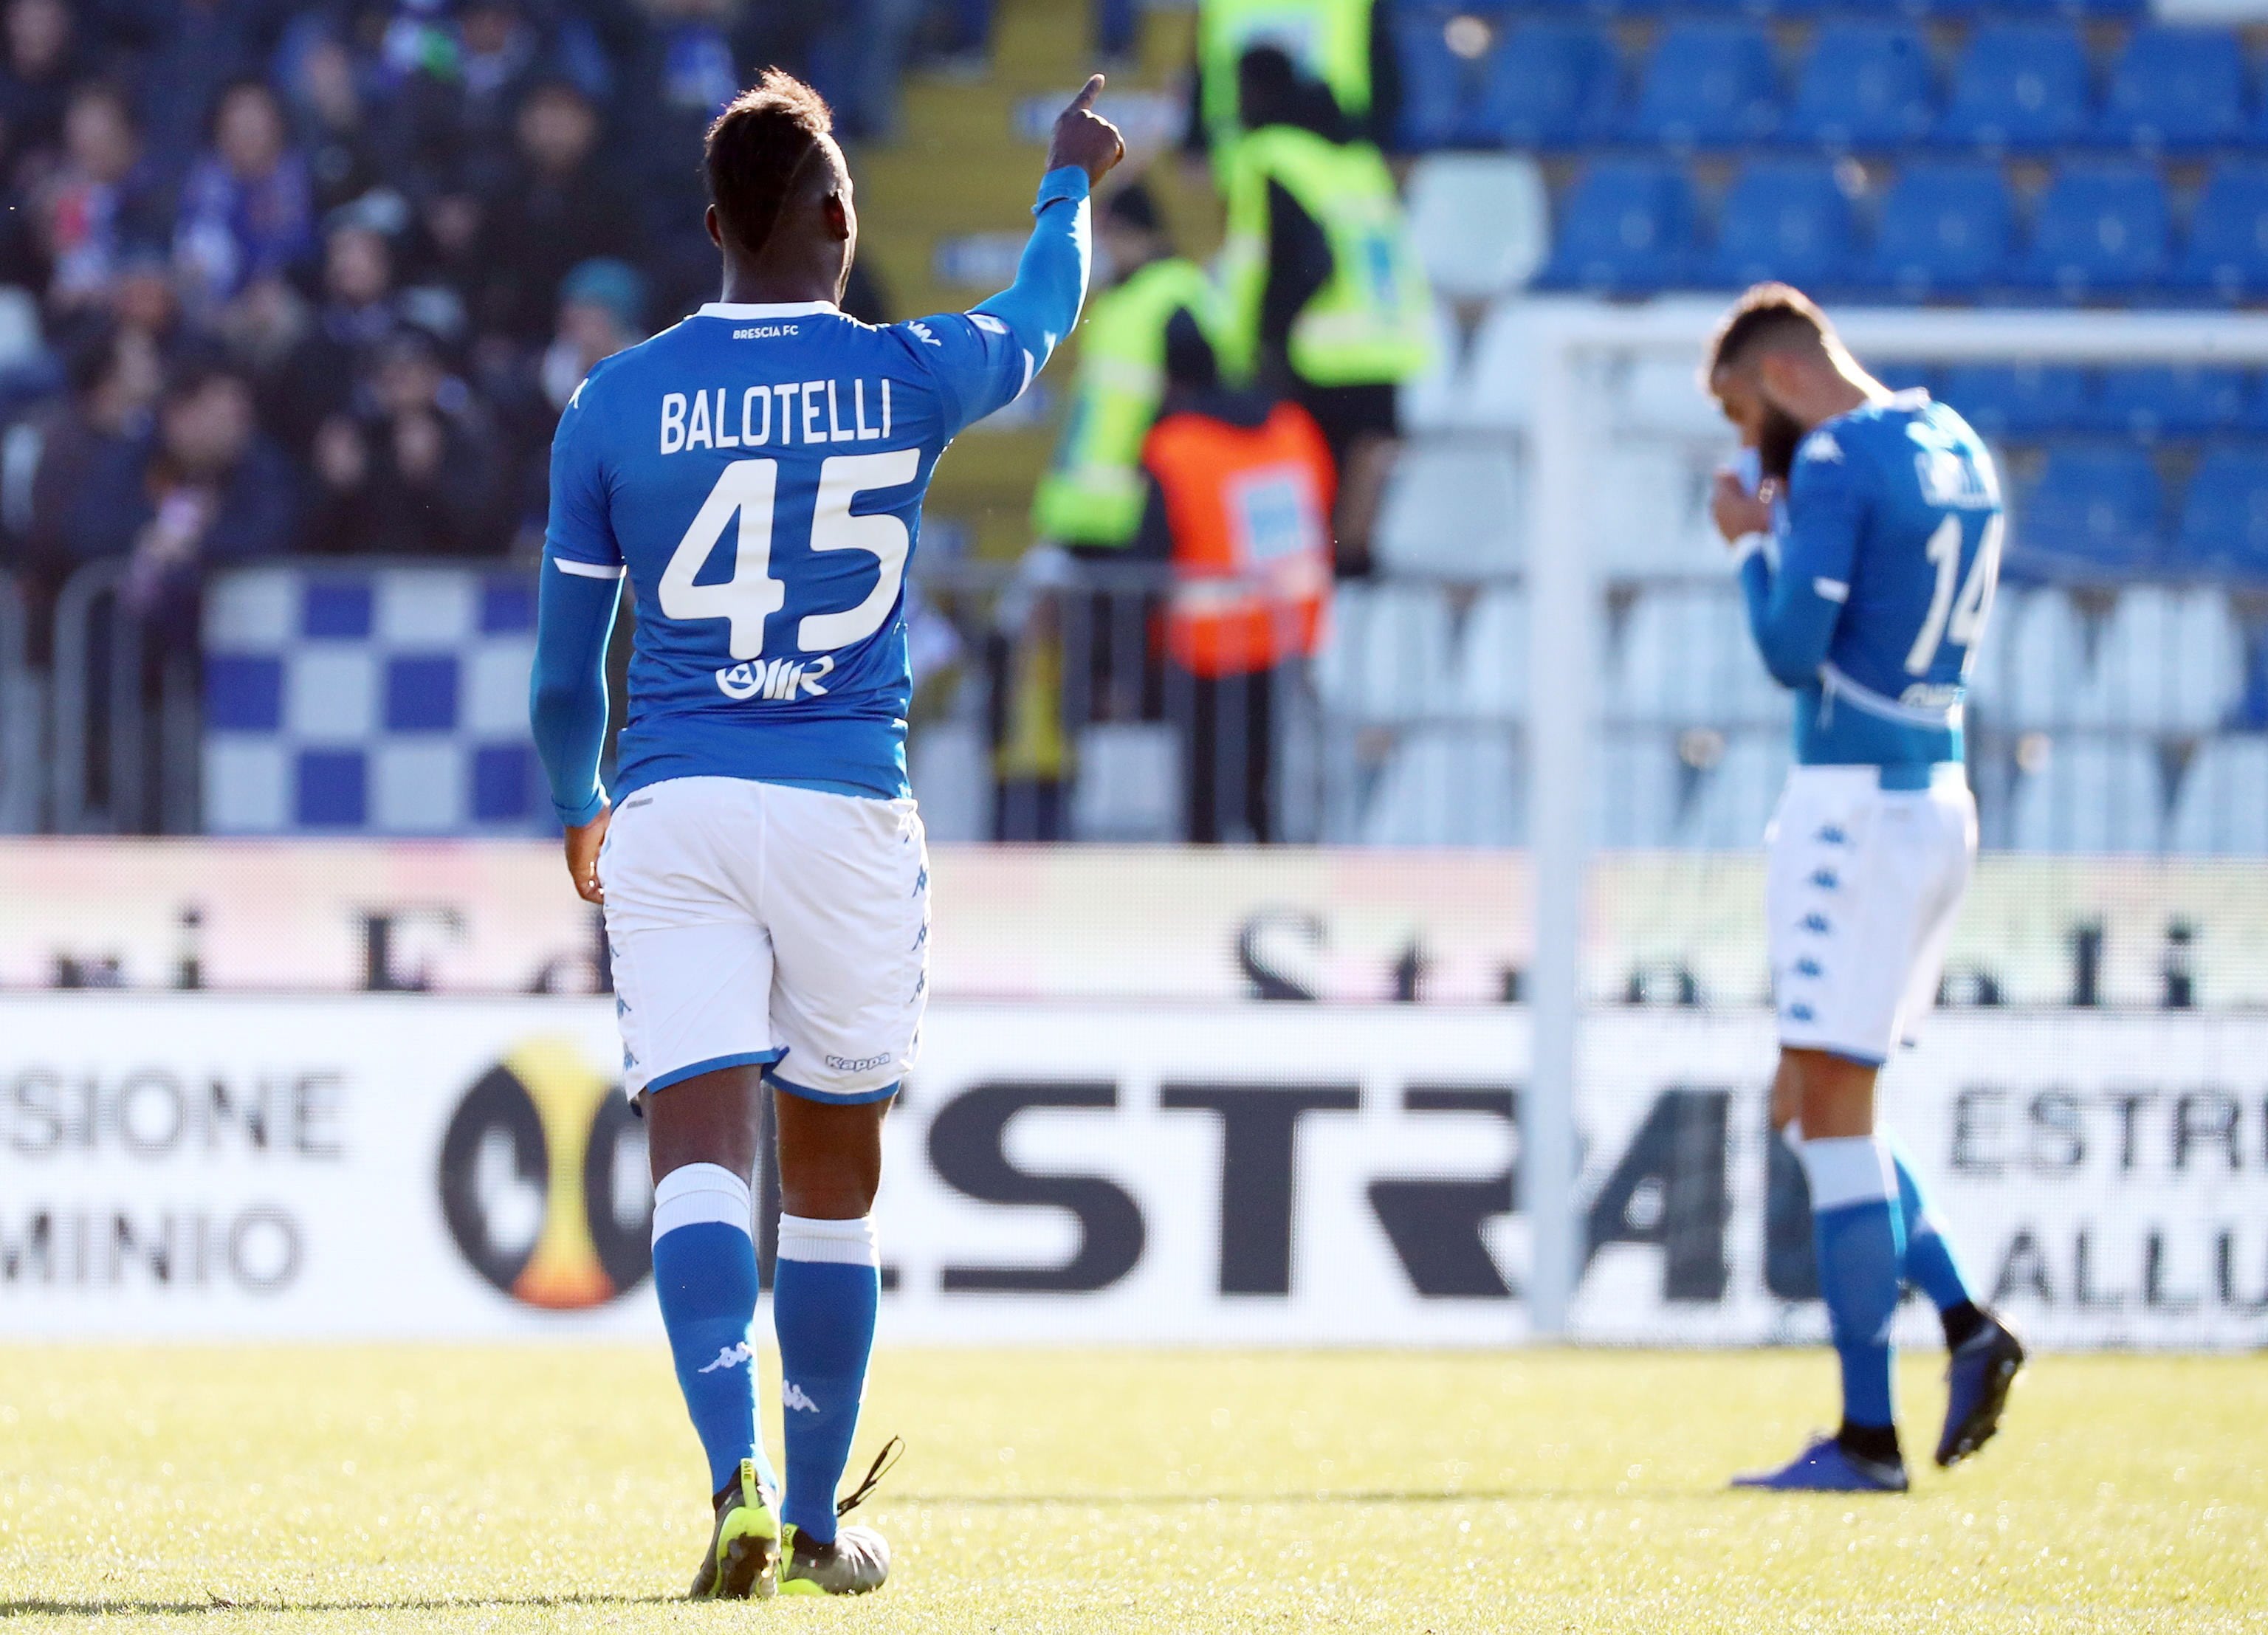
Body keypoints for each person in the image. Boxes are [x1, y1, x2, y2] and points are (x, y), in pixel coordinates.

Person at [527, 69, 1121, 1597]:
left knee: (699, 1164)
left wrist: (580, 803)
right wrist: (1065, 179)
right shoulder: (911, 371)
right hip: (849, 805)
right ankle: (808, 1515)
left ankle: (725, 1478)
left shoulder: (615, 399)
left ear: (715, 225)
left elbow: (554, 683)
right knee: (836, 1176)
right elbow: (1045, 307)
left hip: (674, 798)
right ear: (842, 219)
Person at [1704, 283, 2026, 1494]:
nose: (1753, 447)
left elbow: (1792, 651)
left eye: (1747, 413)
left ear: (1782, 375)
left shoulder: (1834, 454)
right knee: (1807, 1100)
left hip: (1855, 810)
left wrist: (1749, 545)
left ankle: (1864, 1438)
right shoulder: (1952, 441)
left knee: (1832, 1115)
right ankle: (1962, 1324)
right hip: (1937, 795)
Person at [1215, 47, 1429, 574]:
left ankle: (1311, 602)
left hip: (1319, 353)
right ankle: (1350, 586)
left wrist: (1262, 344)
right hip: (1387, 341)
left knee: (1302, 514)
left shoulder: (1268, 154)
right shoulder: (1359, 160)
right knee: (1354, 523)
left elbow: (1293, 258)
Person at [1136, 308, 1331, 842]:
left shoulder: (1175, 446)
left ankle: (1211, 909)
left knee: (1205, 802)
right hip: (1285, 637)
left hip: (1206, 647)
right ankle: (1272, 908)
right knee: (1264, 795)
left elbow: (1151, 547)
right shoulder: (1292, 428)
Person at [1031, 181, 1212, 554]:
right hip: (1090, 513)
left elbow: (1192, 403)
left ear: (1131, 231)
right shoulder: (1121, 300)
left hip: (1142, 512)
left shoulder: (1173, 297)